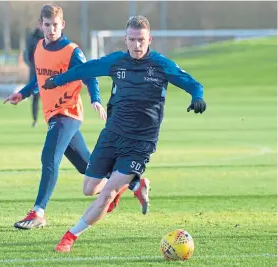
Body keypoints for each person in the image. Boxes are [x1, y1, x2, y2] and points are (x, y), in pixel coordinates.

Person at [43, 15, 206, 252]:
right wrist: (57, 80)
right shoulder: (116, 62)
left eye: (141, 40)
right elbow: (86, 69)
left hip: (141, 142)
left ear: (149, 39)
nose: (137, 45)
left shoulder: (161, 65)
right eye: (132, 40)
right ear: (125, 40)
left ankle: (69, 237)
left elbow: (192, 83)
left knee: (107, 194)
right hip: (112, 135)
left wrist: (197, 97)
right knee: (89, 189)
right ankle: (135, 184)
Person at [3, 5, 148, 230]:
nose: (51, 29)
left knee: (49, 157)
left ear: (63, 25)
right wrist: (21, 94)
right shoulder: (39, 48)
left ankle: (38, 212)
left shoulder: (71, 50)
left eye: (55, 25)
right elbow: (38, 81)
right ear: (41, 25)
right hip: (52, 116)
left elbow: (89, 74)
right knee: (88, 168)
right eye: (47, 25)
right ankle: (132, 182)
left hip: (67, 113)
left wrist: (95, 99)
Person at [23, 24, 44, 127]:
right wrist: (33, 66)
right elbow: (27, 55)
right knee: (35, 97)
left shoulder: (50, 38)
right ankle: (35, 119)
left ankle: (52, 119)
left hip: (49, 72)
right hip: (35, 72)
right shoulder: (31, 38)